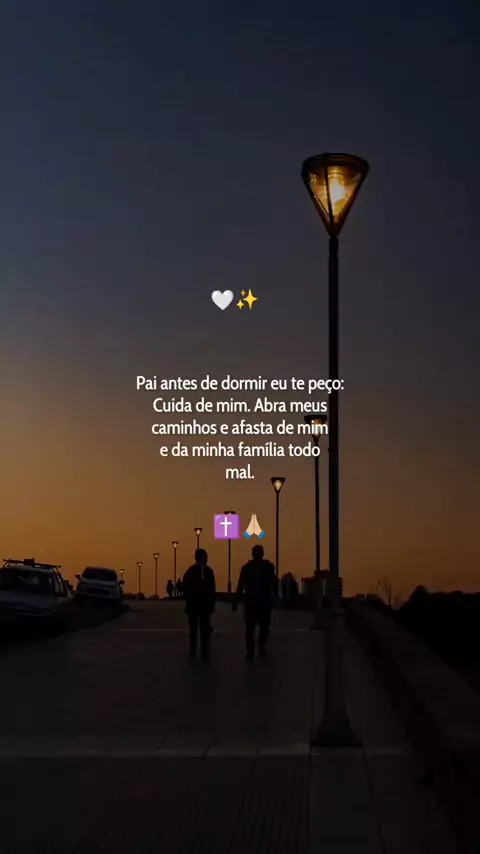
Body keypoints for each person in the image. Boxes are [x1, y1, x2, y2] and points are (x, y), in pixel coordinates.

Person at [233, 544, 277, 661]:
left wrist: (236, 600)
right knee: (252, 628)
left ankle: (257, 646)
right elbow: (241, 585)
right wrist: (236, 600)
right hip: (254, 602)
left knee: (261, 627)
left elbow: (274, 583)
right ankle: (252, 649)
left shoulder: (266, 567)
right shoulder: (249, 568)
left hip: (260, 602)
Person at [182, 548, 216, 660]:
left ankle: (193, 651)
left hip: (194, 605)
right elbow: (212, 589)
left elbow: (185, 586)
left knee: (194, 629)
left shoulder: (190, 571)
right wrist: (212, 604)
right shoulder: (208, 572)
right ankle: (204, 652)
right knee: (203, 629)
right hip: (203, 605)